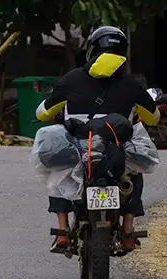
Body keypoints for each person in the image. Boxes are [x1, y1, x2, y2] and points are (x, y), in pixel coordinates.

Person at [35, 25, 159, 254]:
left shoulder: (71, 80)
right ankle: (129, 229)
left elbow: (42, 113)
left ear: (91, 50)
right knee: (135, 172)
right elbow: (153, 118)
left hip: (79, 150)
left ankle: (62, 230)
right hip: (116, 153)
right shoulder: (132, 85)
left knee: (58, 169)